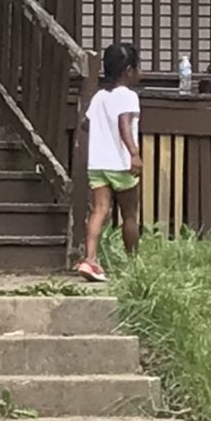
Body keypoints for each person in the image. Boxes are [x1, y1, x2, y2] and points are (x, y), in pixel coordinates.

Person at [77, 41, 143, 283]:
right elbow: (124, 123)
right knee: (129, 214)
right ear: (128, 71)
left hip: (98, 163)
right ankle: (133, 263)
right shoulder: (128, 96)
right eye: (137, 68)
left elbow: (86, 124)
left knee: (99, 210)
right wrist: (134, 153)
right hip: (120, 163)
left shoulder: (99, 97)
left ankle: (90, 259)